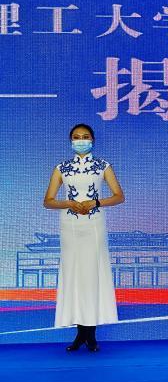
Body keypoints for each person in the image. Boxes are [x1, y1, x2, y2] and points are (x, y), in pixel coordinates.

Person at [43, 124, 124, 352]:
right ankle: (80, 332)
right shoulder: (61, 168)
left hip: (94, 224)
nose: (81, 140)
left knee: (91, 275)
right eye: (77, 137)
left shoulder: (103, 166)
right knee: (74, 275)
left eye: (85, 137)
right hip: (70, 226)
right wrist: (68, 203)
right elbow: (48, 201)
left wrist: (96, 202)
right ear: (71, 141)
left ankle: (90, 334)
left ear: (93, 140)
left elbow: (119, 196)